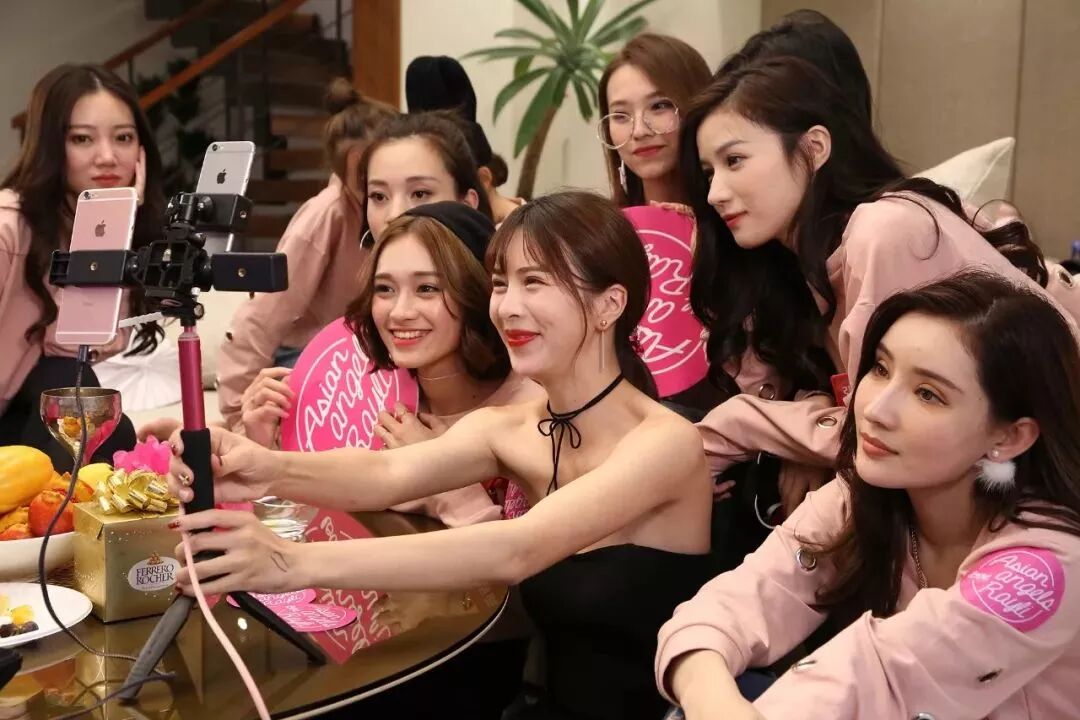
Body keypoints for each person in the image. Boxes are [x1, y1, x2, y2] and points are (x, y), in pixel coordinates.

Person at [166, 191, 713, 720]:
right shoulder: (514, 427)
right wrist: (262, 468)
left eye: (534, 282)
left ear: (609, 304)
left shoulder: (666, 443)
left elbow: (518, 548)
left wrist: (288, 562)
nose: (508, 307)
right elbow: (387, 472)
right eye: (500, 284)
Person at [656, 270, 1080, 719]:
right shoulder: (864, 498)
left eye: (928, 394)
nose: (875, 409)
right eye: (880, 368)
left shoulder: (1050, 563)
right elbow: (732, 604)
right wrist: (710, 696)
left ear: (1010, 436)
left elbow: (880, 674)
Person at [682, 56, 1080, 517]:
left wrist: (738, 425)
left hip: (1034, 478)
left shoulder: (884, 231)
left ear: (814, 148)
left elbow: (882, 429)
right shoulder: (796, 263)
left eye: (734, 160)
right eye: (709, 173)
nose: (715, 193)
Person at [0, 64, 165, 468]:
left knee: (93, 411)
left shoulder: (94, 225)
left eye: (123, 138)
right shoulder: (8, 227)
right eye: (82, 139)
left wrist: (115, 229)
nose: (107, 157)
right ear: (51, 146)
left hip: (19, 414)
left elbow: (83, 348)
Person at [214, 79, 396, 428]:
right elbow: (263, 316)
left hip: (373, 353)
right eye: (371, 187)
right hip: (309, 356)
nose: (390, 204)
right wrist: (239, 417)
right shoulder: (325, 215)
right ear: (346, 173)